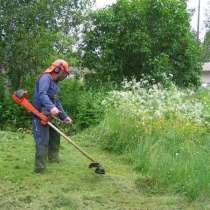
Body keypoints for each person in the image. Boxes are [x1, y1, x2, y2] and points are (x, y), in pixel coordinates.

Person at [32, 59, 72, 173]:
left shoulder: (55, 83)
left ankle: (53, 159)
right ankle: (40, 169)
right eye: (64, 73)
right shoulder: (45, 78)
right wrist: (51, 107)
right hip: (40, 115)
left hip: (50, 114)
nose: (64, 76)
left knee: (55, 138)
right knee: (42, 141)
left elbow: (57, 102)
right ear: (57, 69)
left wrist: (64, 116)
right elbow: (42, 94)